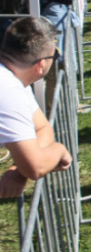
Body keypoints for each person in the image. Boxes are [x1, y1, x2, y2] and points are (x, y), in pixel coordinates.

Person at [0, 17, 72, 199]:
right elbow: (37, 167)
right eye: (54, 55)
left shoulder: (14, 81)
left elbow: (42, 127)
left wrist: (19, 169)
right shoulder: (8, 91)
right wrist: (59, 150)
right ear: (41, 65)